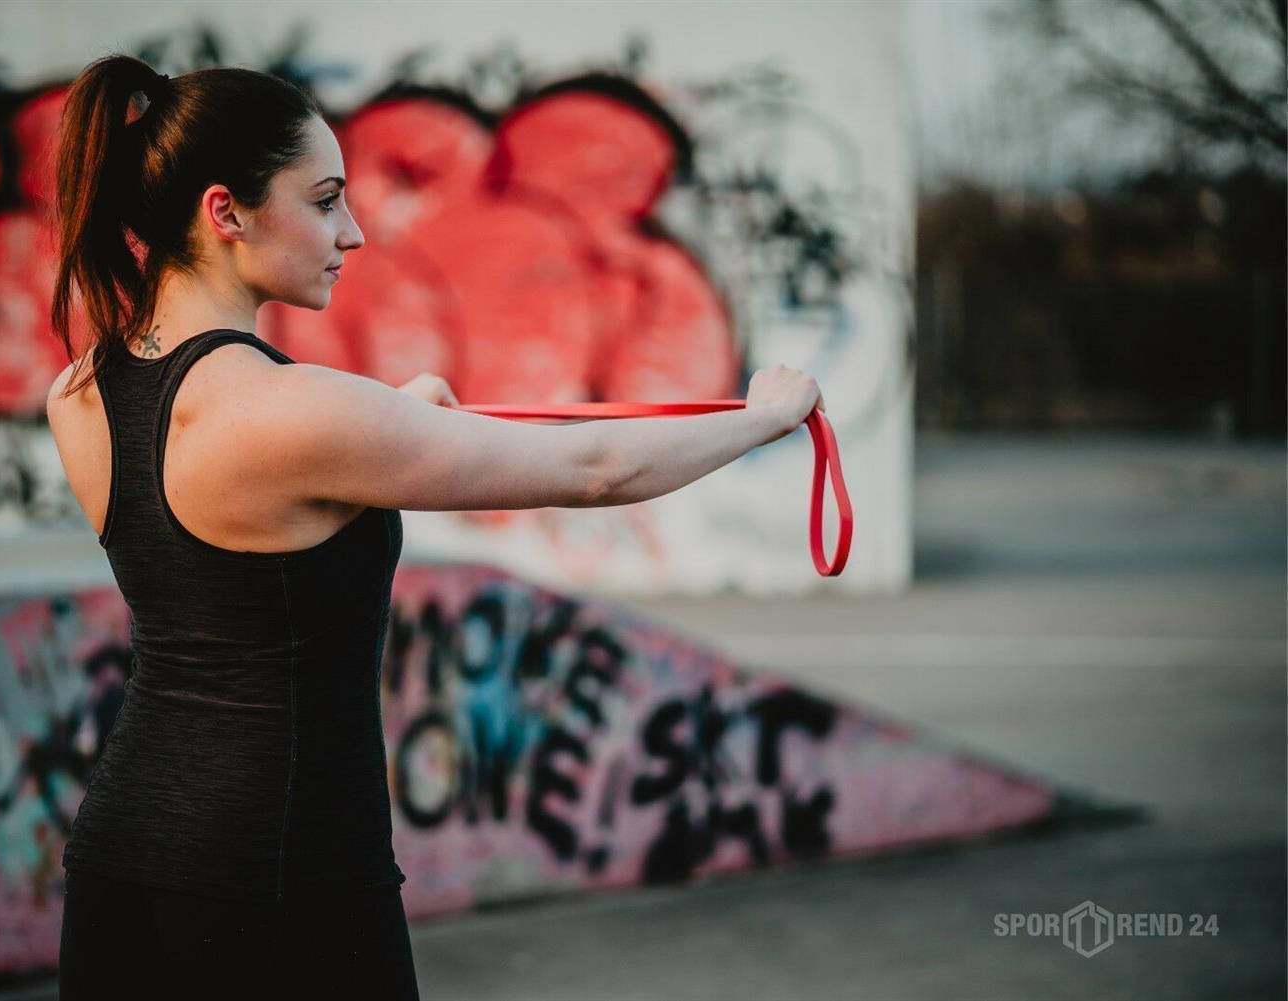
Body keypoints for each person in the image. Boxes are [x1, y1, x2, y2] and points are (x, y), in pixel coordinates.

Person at [44, 54, 824, 1000]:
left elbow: (240, 535)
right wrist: (764, 417)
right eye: (326, 199)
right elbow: (596, 467)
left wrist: (390, 424)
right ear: (225, 213)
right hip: (284, 876)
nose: (354, 231)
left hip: (125, 862)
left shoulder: (78, 394)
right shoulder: (299, 412)